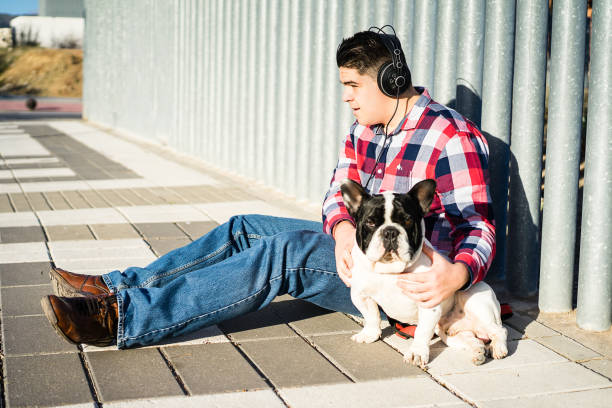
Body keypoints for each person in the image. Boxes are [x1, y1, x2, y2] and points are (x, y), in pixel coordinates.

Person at [41, 27, 495, 349]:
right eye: (344, 86)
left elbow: (477, 223)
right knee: (245, 227)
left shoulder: (449, 136)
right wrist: (339, 230)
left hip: (408, 290)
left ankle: (125, 318)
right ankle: (119, 287)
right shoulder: (365, 130)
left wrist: (456, 275)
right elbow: (338, 195)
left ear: (389, 81)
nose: (346, 97)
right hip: (359, 257)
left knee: (284, 252)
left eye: (353, 85)